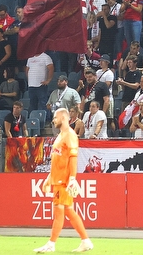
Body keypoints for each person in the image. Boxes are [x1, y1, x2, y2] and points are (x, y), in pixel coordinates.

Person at [35, 107, 93, 253]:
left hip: (64, 181)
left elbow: (73, 158)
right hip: (58, 180)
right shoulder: (60, 135)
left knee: (59, 212)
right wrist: (49, 177)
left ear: (63, 117)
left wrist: (72, 179)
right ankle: (85, 241)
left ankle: (51, 244)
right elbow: (57, 159)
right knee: (68, 211)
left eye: (55, 117)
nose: (53, 120)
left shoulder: (70, 135)